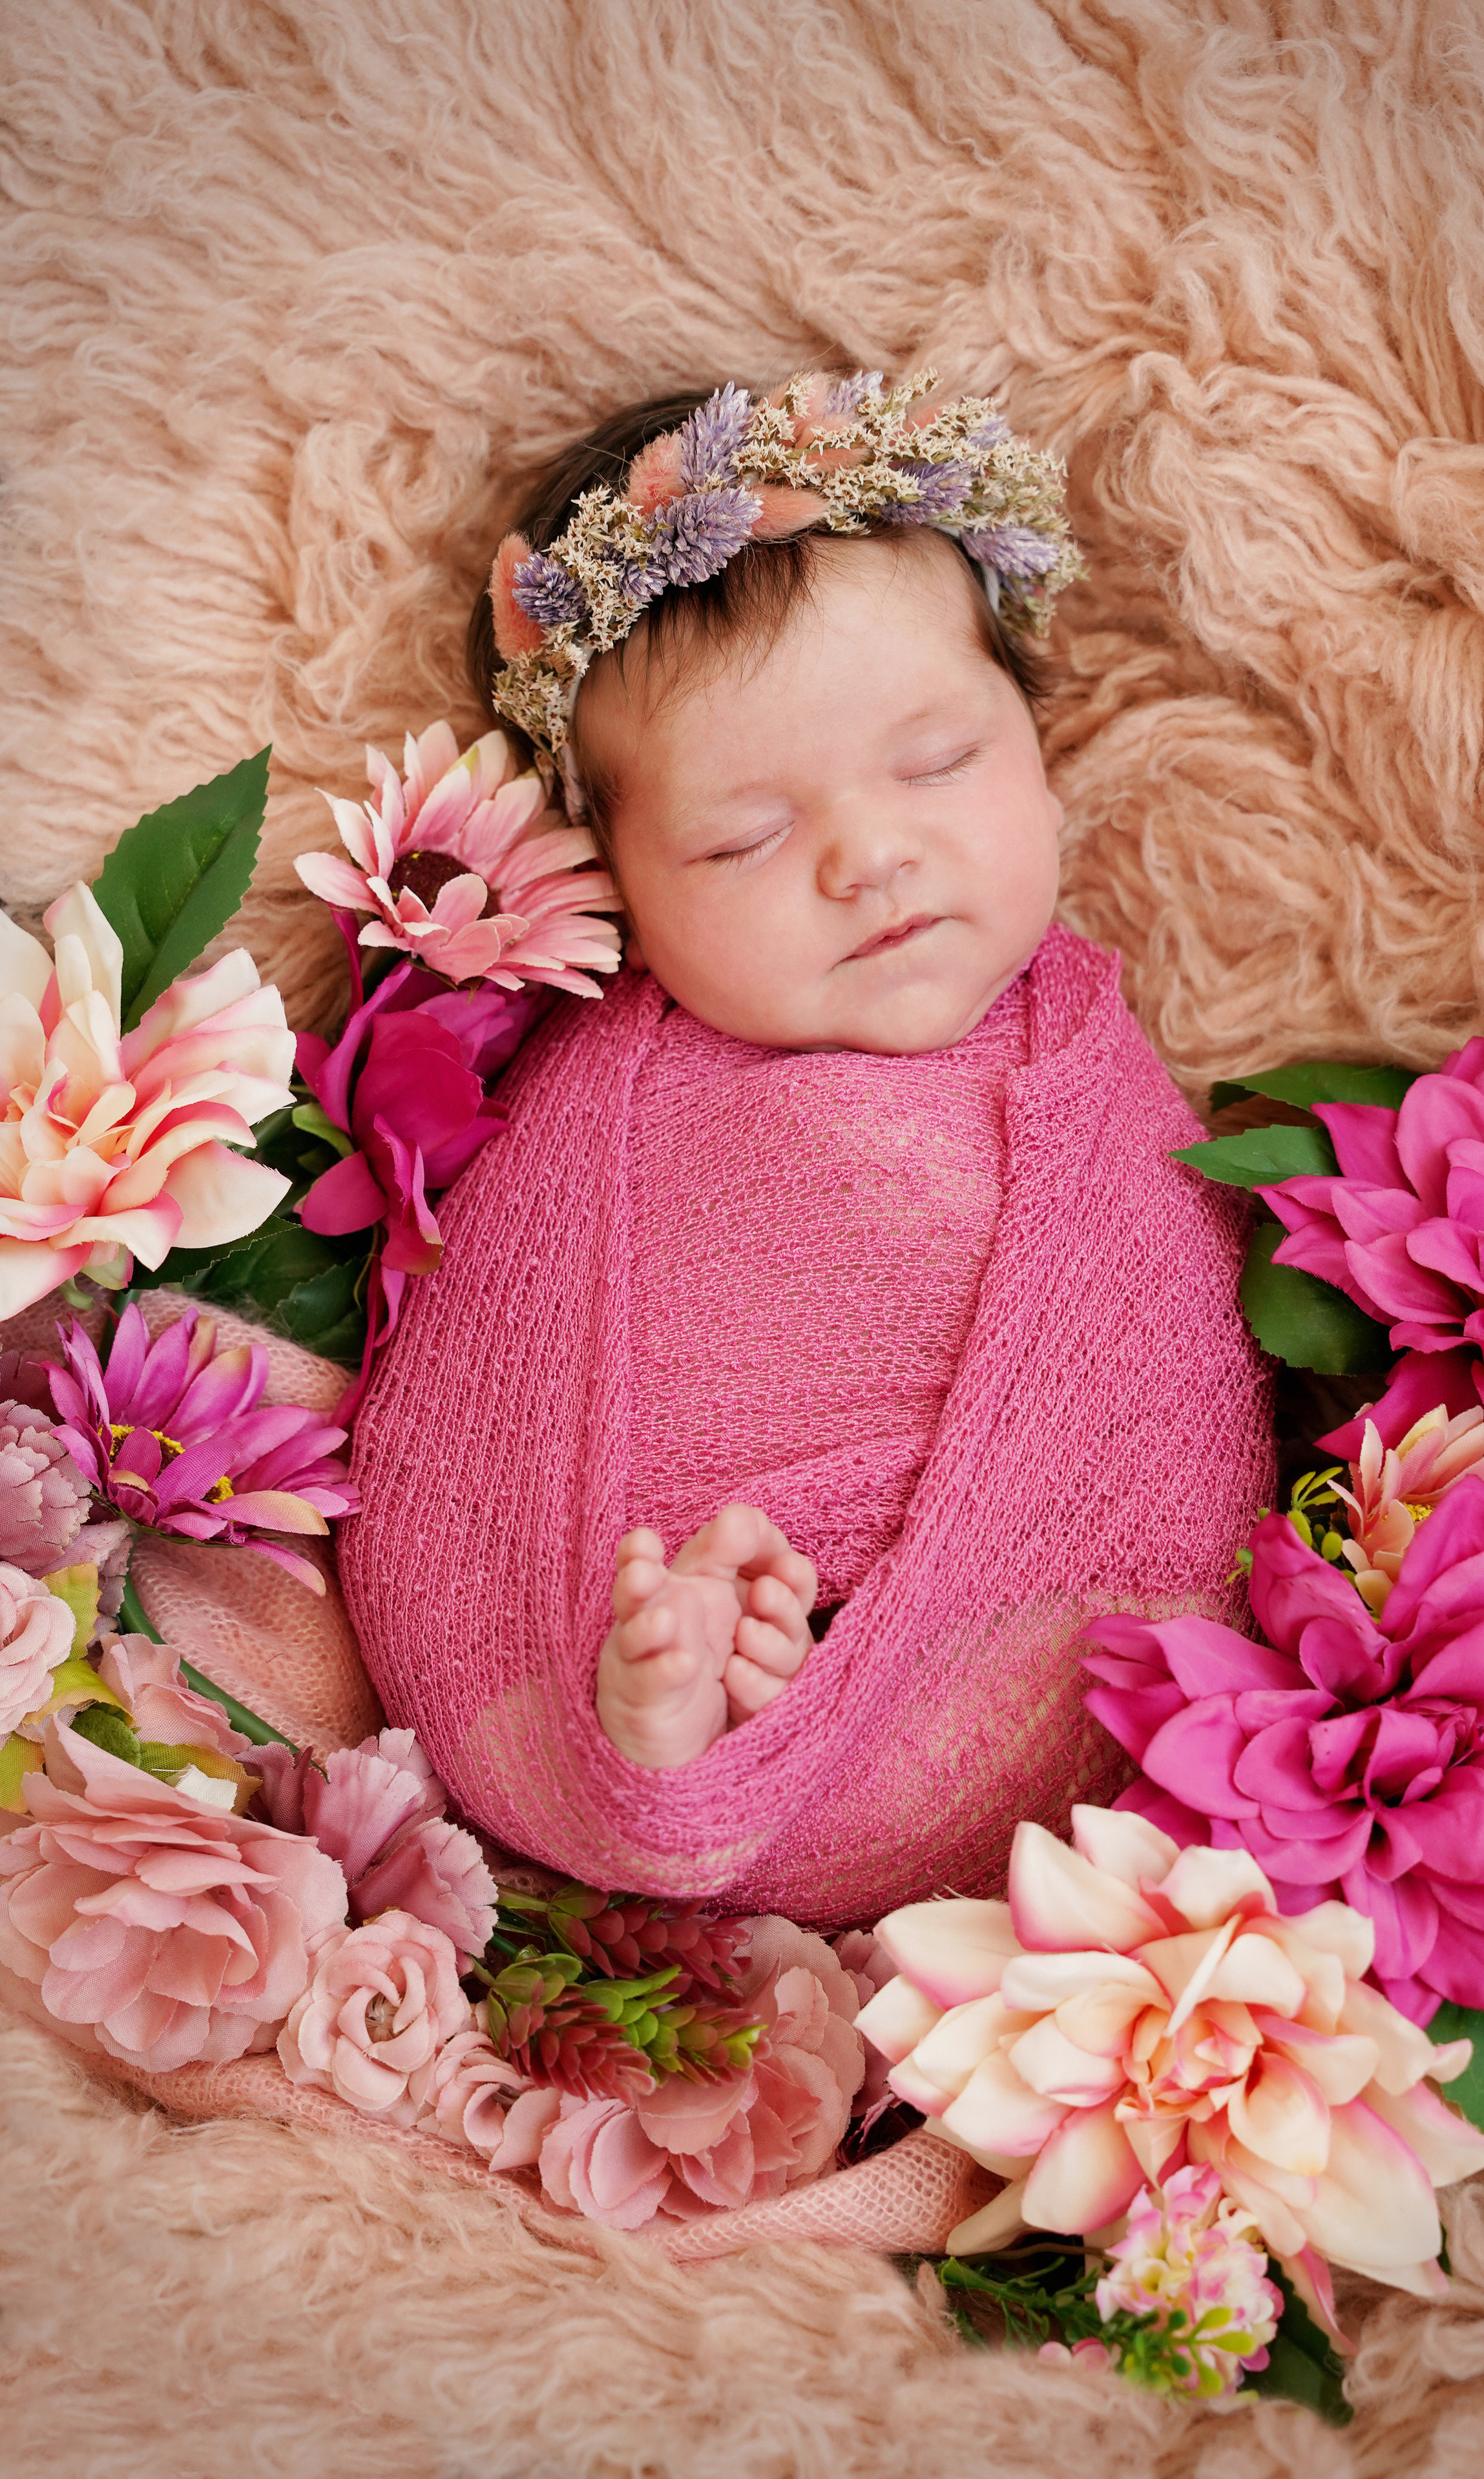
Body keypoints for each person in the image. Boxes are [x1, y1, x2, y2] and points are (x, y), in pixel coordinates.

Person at [340, 373, 1274, 1927]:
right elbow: (477, 1404)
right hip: (623, 1594)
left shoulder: (1094, 1075)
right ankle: (668, 1720)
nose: (868, 852)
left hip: (997, 1679)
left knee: (1090, 1626)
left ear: (1038, 745)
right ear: (617, 885)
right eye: (740, 838)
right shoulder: (600, 1093)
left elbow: (1154, 1385)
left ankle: (740, 1730)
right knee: (614, 1607)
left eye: (935, 762)